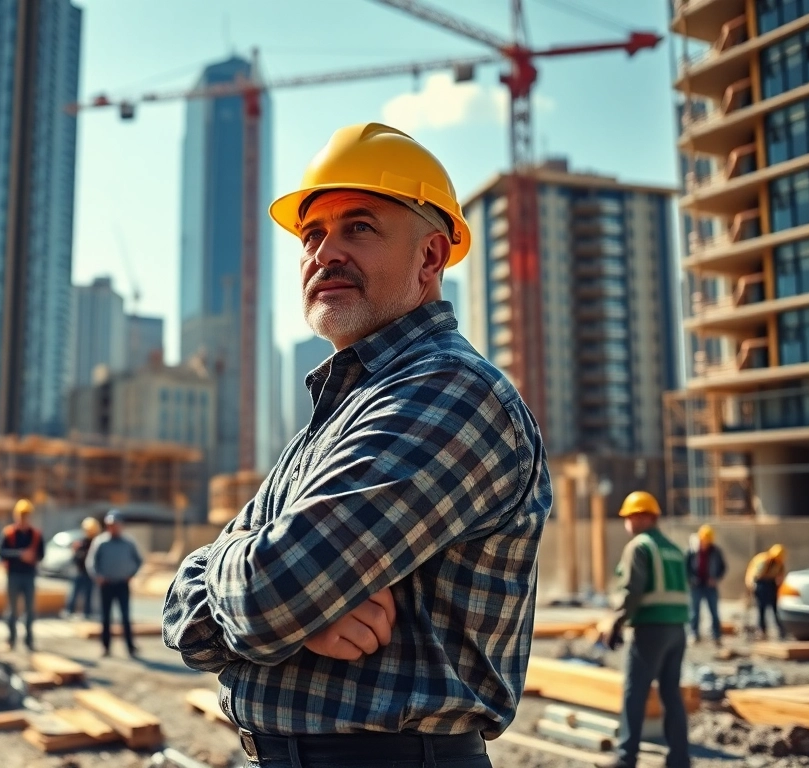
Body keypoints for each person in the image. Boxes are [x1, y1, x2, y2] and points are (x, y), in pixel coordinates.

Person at [163, 123, 550, 768]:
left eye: (360, 228)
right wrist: (289, 610)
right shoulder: (344, 408)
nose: (325, 253)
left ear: (430, 259)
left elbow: (271, 592)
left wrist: (271, 600)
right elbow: (187, 610)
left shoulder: (449, 395)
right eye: (313, 234)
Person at [596, 491, 691, 768]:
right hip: (677, 629)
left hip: (650, 629)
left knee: (635, 691)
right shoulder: (673, 548)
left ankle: (626, 758)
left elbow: (631, 591)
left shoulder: (640, 546)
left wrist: (615, 622)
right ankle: (679, 759)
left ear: (640, 517)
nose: (627, 522)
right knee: (671, 693)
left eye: (629, 517)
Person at [88, 512, 143, 658]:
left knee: (125, 617)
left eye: (115, 525)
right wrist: (98, 576)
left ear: (121, 525)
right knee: (105, 617)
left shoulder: (128, 543)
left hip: (122, 585)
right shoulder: (100, 542)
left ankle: (130, 647)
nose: (113, 528)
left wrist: (131, 575)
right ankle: (105, 647)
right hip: (106, 585)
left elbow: (139, 561)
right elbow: (91, 562)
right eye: (110, 525)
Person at [0, 499, 44, 651]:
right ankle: (11, 639)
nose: (24, 518)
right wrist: (20, 555)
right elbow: (1, 553)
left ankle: (29, 641)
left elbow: (41, 554)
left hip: (29, 576)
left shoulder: (36, 534)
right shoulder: (9, 533)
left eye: (26, 515)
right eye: (21, 515)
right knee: (11, 609)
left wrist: (33, 557)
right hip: (13, 575)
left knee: (30, 610)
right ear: (16, 516)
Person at [685, 523, 726, 645]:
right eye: (703, 540)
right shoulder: (692, 552)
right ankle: (694, 634)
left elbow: (723, 567)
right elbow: (685, 568)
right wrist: (691, 579)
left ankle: (716, 635)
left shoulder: (716, 551)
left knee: (714, 611)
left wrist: (715, 578)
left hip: (710, 586)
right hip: (696, 586)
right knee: (694, 612)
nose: (705, 543)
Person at [747, 544, 788, 640]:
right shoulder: (763, 560)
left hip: (771, 584)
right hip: (761, 584)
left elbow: (781, 575)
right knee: (761, 609)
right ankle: (762, 631)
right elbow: (754, 574)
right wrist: (752, 586)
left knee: (775, 609)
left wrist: (779, 586)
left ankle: (781, 631)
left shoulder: (779, 563)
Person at [66, 517, 100, 618]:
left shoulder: (96, 543)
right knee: (74, 593)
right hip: (79, 571)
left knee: (88, 594)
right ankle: (69, 610)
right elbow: (75, 558)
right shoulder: (81, 542)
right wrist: (76, 552)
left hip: (90, 573)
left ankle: (87, 613)